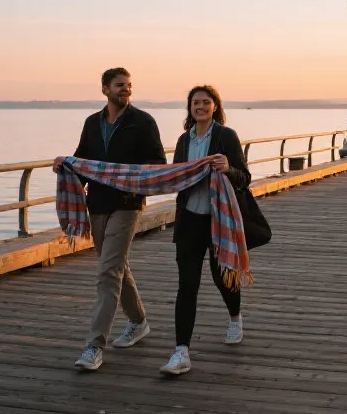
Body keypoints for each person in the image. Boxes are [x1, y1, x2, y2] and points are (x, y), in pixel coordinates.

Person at [53, 67, 167, 371]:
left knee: (107, 272)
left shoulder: (143, 122)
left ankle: (94, 346)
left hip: (128, 205)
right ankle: (139, 321)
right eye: (120, 86)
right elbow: (82, 159)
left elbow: (158, 163)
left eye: (129, 86)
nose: (126, 90)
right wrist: (65, 164)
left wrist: (128, 175)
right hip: (98, 204)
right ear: (105, 89)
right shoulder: (92, 123)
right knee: (115, 268)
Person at [159, 85, 253, 376]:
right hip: (189, 221)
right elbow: (176, 177)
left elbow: (244, 178)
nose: (200, 106)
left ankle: (235, 317)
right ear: (189, 108)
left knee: (222, 276)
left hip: (219, 222)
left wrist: (228, 168)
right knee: (187, 285)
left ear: (215, 106)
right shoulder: (183, 141)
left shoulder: (226, 136)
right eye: (195, 102)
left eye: (205, 102)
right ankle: (181, 352)